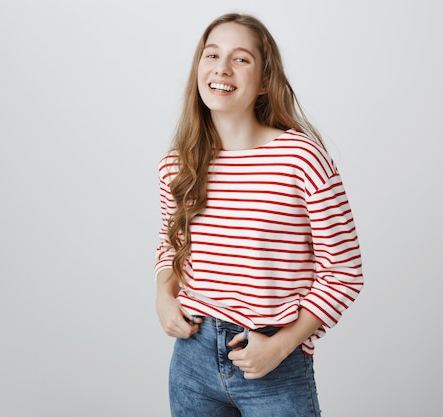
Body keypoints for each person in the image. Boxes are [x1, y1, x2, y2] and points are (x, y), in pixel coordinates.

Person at [154, 12, 363, 417]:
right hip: (191, 360)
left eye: (241, 58)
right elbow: (171, 246)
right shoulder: (177, 165)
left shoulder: (300, 159)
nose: (222, 68)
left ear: (265, 80)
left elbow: (344, 271)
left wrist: (283, 345)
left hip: (272, 359)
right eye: (211, 55)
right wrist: (163, 295)